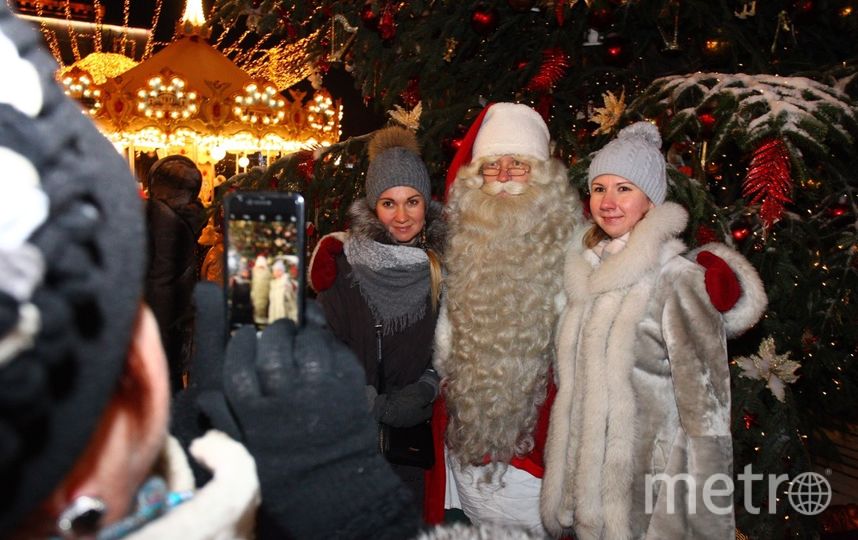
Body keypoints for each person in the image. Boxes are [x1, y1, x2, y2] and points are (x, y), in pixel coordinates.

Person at [427, 104, 767, 534]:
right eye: (493, 165)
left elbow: (678, 291)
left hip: (556, 466)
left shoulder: (568, 241)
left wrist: (722, 283)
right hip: (471, 452)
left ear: (544, 177)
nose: (507, 175)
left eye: (520, 163)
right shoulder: (467, 243)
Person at [540, 122, 752, 539]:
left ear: (651, 203)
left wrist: (696, 513)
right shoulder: (585, 272)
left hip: (648, 494)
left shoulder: (678, 280)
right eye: (600, 188)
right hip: (585, 489)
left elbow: (707, 408)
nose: (609, 201)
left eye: (624, 189)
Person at [310, 125, 446, 509]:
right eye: (388, 203)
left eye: (412, 201)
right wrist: (368, 401)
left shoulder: (443, 269)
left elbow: (452, 345)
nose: (401, 216)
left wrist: (427, 387)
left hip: (413, 444)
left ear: (426, 204)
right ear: (373, 207)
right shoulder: (344, 264)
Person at [144, 154, 207, 392]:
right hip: (180, 314)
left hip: (162, 318)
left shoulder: (160, 218)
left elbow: (161, 278)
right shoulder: (188, 217)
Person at [267, 259, 297, 323]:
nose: (274, 273)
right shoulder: (273, 284)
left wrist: (294, 319)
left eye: (275, 271)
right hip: (274, 318)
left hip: (285, 318)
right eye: (274, 271)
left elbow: (292, 303)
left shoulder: (287, 284)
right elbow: (272, 304)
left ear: (280, 271)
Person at [250, 254, 271, 325]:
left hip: (264, 294)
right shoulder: (254, 271)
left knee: (261, 307)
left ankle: (260, 321)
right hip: (256, 293)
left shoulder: (267, 272)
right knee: (257, 307)